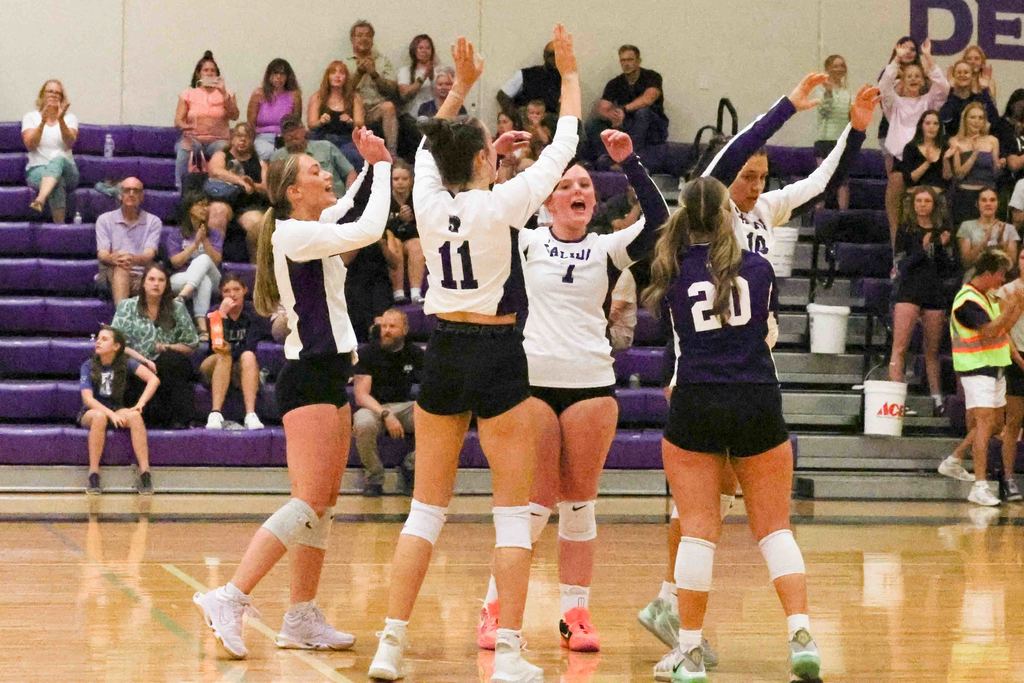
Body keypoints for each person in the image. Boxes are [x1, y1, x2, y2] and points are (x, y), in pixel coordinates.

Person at [637, 73, 878, 663]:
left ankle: (674, 611)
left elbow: (823, 180)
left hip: (744, 365)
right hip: (705, 370)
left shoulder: (766, 211)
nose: (754, 183)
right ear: (724, 180)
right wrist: (788, 106)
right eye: (746, 175)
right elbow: (740, 144)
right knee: (703, 510)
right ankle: (675, 603)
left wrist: (855, 131)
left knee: (704, 510)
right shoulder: (708, 204)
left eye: (761, 177)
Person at [367, 28, 580, 683]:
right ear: (486, 162)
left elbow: (429, 143)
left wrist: (458, 85)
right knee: (512, 514)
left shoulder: (429, 201)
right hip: (496, 351)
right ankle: (509, 653)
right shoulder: (503, 204)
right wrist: (569, 72)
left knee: (426, 510)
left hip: (446, 349)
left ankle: (389, 646)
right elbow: (567, 141)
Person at [192, 128, 392, 658]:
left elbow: (348, 206)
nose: (325, 174)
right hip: (308, 379)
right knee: (308, 501)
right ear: (291, 193)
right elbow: (368, 227)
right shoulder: (291, 234)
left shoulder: (308, 222)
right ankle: (230, 596)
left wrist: (371, 168)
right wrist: (388, 168)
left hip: (329, 377)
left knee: (323, 505)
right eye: (314, 172)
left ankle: (301, 616)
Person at [475, 127, 665, 655]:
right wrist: (494, 157)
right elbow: (481, 210)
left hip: (592, 386)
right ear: (547, 199)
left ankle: (574, 614)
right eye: (567, 184)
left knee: (579, 506)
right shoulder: (527, 239)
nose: (579, 190)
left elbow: (659, 223)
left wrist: (629, 163)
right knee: (533, 505)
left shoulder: (607, 248)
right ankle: (493, 608)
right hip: (533, 384)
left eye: (585, 184)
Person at [642, 175, 820, 682]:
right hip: (757, 398)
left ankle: (692, 653)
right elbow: (766, 334)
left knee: (698, 530)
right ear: (727, 216)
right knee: (775, 529)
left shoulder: (669, 270)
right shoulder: (760, 269)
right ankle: (801, 635)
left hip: (696, 398)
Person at [943, 249, 1024, 506]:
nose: (1002, 281)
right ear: (988, 274)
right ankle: (979, 486)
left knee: (997, 424)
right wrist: (1009, 308)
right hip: (976, 367)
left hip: (995, 365)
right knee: (986, 422)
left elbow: (1001, 331)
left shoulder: (987, 296)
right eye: (1000, 275)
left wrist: (1015, 310)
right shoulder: (967, 300)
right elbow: (989, 332)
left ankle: (954, 459)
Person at [889, 186, 960, 415]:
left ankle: (936, 397)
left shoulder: (943, 232)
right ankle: (896, 397)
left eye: (926, 201)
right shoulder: (906, 229)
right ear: (913, 204)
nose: (922, 205)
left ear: (933, 205)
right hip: (909, 290)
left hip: (933, 291)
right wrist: (924, 247)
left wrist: (940, 246)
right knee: (899, 347)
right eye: (919, 201)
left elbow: (949, 268)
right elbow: (902, 265)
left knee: (932, 350)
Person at [111, 264, 199, 428]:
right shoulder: (127, 306)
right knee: (129, 370)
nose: (156, 284)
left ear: (166, 284)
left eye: (161, 280)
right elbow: (117, 344)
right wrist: (142, 361)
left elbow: (191, 344)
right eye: (151, 279)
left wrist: (168, 347)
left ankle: (181, 421)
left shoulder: (177, 308)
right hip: (136, 366)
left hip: (166, 366)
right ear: (143, 283)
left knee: (172, 361)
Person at [879, 38, 949, 242]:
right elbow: (883, 87)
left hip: (927, 157)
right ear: (902, 79)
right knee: (895, 181)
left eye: (917, 76)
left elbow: (944, 87)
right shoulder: (895, 105)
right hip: (903, 160)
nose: (913, 79)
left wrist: (928, 59)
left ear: (923, 79)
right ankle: (895, 243)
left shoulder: (929, 102)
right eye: (909, 76)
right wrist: (896, 61)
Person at [80, 325, 160, 495]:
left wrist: (141, 403)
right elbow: (88, 399)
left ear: (116, 346)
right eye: (98, 339)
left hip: (116, 408)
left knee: (135, 417)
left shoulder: (125, 363)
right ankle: (93, 475)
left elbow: (153, 380)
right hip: (92, 411)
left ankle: (145, 474)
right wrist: (109, 414)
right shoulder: (88, 365)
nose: (98, 342)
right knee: (100, 417)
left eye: (104, 339)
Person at [352, 308, 424, 496]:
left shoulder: (415, 353)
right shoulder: (367, 353)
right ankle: (374, 478)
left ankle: (411, 465)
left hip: (404, 407)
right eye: (383, 326)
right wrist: (385, 414)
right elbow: (361, 395)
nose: (386, 330)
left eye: (392, 326)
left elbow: (432, 386)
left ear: (405, 329)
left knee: (438, 418)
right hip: (373, 408)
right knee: (363, 422)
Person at [202, 274, 271, 430]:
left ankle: (251, 415)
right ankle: (215, 413)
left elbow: (249, 346)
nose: (232, 294)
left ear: (245, 290)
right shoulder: (214, 312)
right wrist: (222, 316)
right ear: (221, 294)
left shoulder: (254, 312)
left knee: (247, 356)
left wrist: (230, 350)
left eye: (236, 289)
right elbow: (217, 344)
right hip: (215, 365)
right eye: (226, 291)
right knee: (223, 355)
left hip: (241, 366)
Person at [587, 45, 668, 159]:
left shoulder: (652, 77)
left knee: (642, 113)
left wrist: (623, 110)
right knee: (594, 123)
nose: (626, 64)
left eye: (630, 60)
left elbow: (648, 99)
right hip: (626, 122)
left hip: (653, 125)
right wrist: (612, 116)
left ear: (638, 61)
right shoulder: (615, 83)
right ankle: (602, 159)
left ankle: (630, 159)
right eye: (623, 60)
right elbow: (602, 108)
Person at [174, 51, 239, 189]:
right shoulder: (188, 93)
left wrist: (224, 93)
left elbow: (234, 116)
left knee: (224, 149)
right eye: (206, 70)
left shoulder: (228, 94)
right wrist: (186, 127)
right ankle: (181, 188)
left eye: (213, 71)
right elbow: (178, 121)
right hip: (194, 139)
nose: (209, 73)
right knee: (185, 147)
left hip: (218, 140)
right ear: (199, 74)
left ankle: (219, 187)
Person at [95, 177, 163, 305]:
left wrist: (132, 259)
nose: (131, 194)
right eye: (127, 190)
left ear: (142, 196)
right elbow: (102, 254)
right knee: (121, 269)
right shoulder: (104, 219)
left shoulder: (154, 221)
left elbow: (149, 254)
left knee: (156, 276)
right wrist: (113, 258)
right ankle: (122, 321)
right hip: (113, 273)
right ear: (120, 195)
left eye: (136, 191)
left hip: (142, 274)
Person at [206, 122, 269, 261]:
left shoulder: (260, 163)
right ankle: (212, 263)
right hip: (224, 201)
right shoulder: (221, 155)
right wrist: (240, 181)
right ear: (232, 138)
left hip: (248, 206)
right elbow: (215, 171)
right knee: (218, 211)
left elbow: (267, 188)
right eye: (239, 136)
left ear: (253, 140)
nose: (242, 140)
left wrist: (253, 185)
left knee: (257, 222)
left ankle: (258, 269)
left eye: (247, 137)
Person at [22, 79, 79, 223]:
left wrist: (61, 120)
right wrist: (42, 121)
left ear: (61, 97)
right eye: (50, 91)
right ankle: (59, 229)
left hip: (68, 170)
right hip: (37, 170)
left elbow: (69, 143)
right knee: (57, 181)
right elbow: (30, 145)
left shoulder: (70, 118)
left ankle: (40, 198)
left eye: (57, 93)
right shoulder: (30, 117)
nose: (54, 95)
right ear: (42, 95)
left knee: (59, 159)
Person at [167, 193, 222, 340]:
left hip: (214, 278)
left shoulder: (214, 234)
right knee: (203, 280)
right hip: (182, 277)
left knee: (204, 258)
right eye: (200, 204)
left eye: (206, 205)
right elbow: (175, 262)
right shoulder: (176, 234)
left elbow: (216, 261)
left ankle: (182, 297)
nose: (205, 209)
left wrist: (205, 241)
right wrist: (195, 244)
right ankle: (203, 328)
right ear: (189, 208)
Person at [346, 20, 400, 157]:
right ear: (352, 39)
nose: (364, 38)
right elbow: (342, 92)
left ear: (372, 39)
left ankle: (392, 154)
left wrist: (374, 74)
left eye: (367, 35)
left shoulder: (383, 61)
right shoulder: (344, 63)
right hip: (353, 112)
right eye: (359, 35)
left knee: (389, 106)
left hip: (376, 110)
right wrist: (358, 73)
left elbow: (392, 90)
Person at [995, 249, 1024, 502]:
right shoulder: (1008, 291)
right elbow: (1001, 329)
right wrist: (1017, 358)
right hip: (1016, 355)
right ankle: (1008, 477)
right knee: (1013, 420)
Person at [945, 102, 1002, 226]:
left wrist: (1000, 165)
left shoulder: (993, 141)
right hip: (965, 197)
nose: (977, 121)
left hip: (987, 197)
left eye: (980, 118)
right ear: (965, 119)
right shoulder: (955, 141)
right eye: (972, 117)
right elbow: (959, 175)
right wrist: (975, 153)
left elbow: (996, 174)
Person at [272, 114, 357, 197]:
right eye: (287, 131)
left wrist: (348, 196)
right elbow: (274, 186)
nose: (292, 134)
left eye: (295, 129)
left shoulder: (325, 147)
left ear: (303, 130)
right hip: (300, 204)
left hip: (334, 199)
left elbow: (350, 172)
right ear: (282, 135)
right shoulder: (278, 157)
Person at [307, 60, 364, 168]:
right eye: (333, 73)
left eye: (341, 73)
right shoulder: (317, 97)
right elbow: (311, 124)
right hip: (323, 137)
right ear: (327, 77)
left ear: (346, 78)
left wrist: (350, 121)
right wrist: (321, 121)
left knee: (353, 155)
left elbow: (360, 124)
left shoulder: (355, 97)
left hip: (347, 139)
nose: (337, 76)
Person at [814, 54, 852, 209]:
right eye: (835, 66)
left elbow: (851, 118)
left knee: (843, 181)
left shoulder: (848, 93)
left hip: (843, 140)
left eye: (842, 65)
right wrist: (828, 93)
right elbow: (823, 111)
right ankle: (820, 218)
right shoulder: (820, 90)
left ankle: (843, 217)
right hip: (825, 140)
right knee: (823, 180)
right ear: (828, 69)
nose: (839, 69)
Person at [958, 188, 1019, 280]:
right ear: (977, 204)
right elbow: (966, 262)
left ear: (997, 203)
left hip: (1001, 279)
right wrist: (984, 242)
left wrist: (1002, 247)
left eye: (992, 200)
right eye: (983, 200)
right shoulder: (967, 226)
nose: (988, 203)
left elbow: (1012, 265)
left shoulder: (1009, 228)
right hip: (973, 279)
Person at [247, 58, 302, 160]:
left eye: (282, 74)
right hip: (262, 138)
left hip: (286, 139)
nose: (278, 77)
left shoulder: (294, 95)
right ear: (269, 75)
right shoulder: (258, 94)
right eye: (275, 73)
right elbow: (250, 125)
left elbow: (296, 123)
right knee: (268, 153)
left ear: (288, 77)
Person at [385, 160, 424, 304]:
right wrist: (399, 220)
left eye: (404, 179)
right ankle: (398, 292)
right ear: (390, 181)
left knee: (417, 245)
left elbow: (425, 226)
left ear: (411, 180)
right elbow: (382, 227)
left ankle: (415, 293)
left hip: (411, 237)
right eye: (396, 179)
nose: (400, 182)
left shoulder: (418, 198)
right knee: (393, 244)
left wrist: (410, 220)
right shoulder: (384, 199)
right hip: (391, 237)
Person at [496, 41, 561, 118]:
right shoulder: (527, 74)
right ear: (545, 56)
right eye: (552, 55)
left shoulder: (567, 80)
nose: (555, 58)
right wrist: (518, 117)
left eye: (559, 54)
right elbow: (502, 96)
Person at [940, 60, 999, 139]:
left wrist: (985, 90)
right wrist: (951, 89)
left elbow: (994, 120)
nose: (962, 75)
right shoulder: (949, 97)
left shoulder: (979, 98)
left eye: (966, 72)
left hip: (978, 142)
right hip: (954, 144)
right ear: (953, 76)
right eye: (959, 72)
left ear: (972, 76)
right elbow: (945, 120)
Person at [899, 110, 950, 194]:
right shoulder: (910, 148)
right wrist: (927, 163)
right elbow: (909, 180)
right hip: (916, 195)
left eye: (935, 124)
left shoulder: (945, 147)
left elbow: (947, 178)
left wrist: (945, 160)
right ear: (921, 126)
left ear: (940, 127)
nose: (931, 127)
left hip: (937, 195)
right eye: (927, 123)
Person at [398, 34, 439, 117]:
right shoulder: (405, 71)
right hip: (413, 116)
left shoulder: (439, 70)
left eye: (428, 48)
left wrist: (432, 78)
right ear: (414, 50)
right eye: (420, 48)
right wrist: (424, 76)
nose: (424, 51)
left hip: (435, 114)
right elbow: (404, 93)